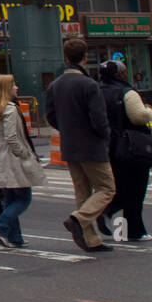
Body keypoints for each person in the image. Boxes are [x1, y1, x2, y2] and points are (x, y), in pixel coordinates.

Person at [44, 38, 115, 253]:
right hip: (91, 145)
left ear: (66, 57)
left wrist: (67, 129)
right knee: (107, 188)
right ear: (85, 57)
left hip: (70, 144)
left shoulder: (55, 85)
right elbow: (99, 119)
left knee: (82, 191)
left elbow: (50, 116)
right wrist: (105, 136)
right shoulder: (89, 85)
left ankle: (91, 239)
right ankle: (78, 219)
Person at [0, 75, 46, 248]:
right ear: (5, 90)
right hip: (12, 158)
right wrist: (24, 153)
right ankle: (1, 224)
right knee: (24, 197)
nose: (17, 88)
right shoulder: (9, 109)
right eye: (13, 85)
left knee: (10, 197)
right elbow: (12, 137)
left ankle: (14, 237)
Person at [97, 60, 152, 242]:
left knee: (120, 184)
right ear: (121, 74)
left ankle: (114, 221)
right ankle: (134, 230)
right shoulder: (127, 92)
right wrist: (148, 110)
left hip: (107, 145)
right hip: (131, 145)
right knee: (137, 187)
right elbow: (139, 117)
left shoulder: (98, 91)